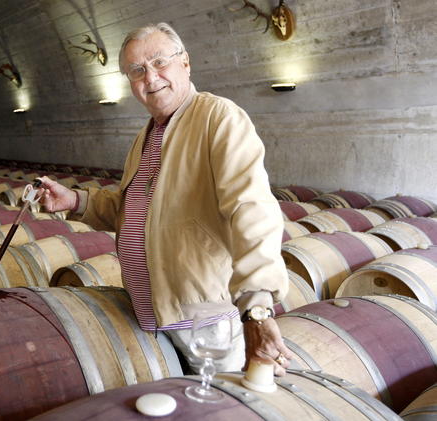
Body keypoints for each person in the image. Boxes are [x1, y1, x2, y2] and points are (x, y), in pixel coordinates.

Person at [37, 22, 291, 375]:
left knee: (223, 408)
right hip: (151, 317)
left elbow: (252, 210)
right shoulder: (148, 134)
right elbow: (139, 214)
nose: (150, 77)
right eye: (137, 70)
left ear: (185, 62)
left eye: (159, 62)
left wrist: (257, 306)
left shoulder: (217, 117)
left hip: (205, 324)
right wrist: (77, 201)